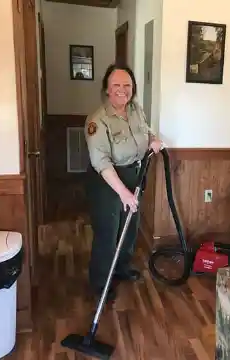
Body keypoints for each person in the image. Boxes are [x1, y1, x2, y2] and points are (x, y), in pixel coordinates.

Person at [84, 64, 163, 300]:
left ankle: (121, 268)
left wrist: (153, 139)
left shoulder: (136, 109)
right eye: (116, 85)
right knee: (108, 232)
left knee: (130, 225)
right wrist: (123, 193)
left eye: (127, 85)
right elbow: (102, 163)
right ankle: (100, 282)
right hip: (107, 182)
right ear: (107, 90)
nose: (122, 90)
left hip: (134, 175)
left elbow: (145, 131)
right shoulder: (97, 120)